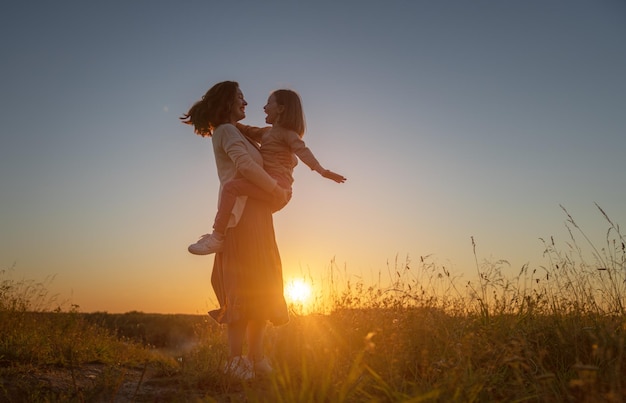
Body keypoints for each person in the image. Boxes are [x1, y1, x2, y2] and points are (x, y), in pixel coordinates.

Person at [180, 81, 290, 380]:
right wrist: (275, 190)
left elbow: (267, 142)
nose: (245, 102)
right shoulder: (226, 131)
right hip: (242, 219)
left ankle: (255, 360)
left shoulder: (236, 130)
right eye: (240, 97)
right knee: (243, 290)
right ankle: (236, 361)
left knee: (261, 291)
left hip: (258, 216)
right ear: (227, 101)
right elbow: (243, 166)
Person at [188, 89, 346, 255]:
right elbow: (245, 129)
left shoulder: (289, 135)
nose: (264, 107)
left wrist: (323, 171)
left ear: (281, 109)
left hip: (279, 186)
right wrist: (216, 115)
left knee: (231, 188)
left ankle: (217, 236)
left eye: (269, 103)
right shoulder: (265, 133)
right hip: (269, 187)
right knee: (238, 199)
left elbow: (304, 152)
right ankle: (220, 235)